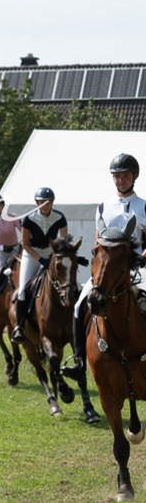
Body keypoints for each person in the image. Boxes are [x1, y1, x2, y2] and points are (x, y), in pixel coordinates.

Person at [65, 153, 146, 376]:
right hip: (110, 269)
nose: (121, 180)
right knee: (79, 304)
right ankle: (79, 361)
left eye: (125, 176)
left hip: (140, 265)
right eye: (117, 176)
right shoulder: (103, 207)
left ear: (134, 176)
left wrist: (143, 257)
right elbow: (99, 238)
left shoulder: (144, 206)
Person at [11, 187, 68, 342]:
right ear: (37, 203)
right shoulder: (29, 219)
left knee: (65, 283)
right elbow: (25, 244)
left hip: (51, 253)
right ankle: (19, 327)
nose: (45, 205)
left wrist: (59, 257)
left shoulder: (60, 217)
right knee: (22, 290)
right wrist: (40, 259)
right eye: (42, 202)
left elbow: (64, 242)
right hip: (31, 254)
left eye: (48, 202)